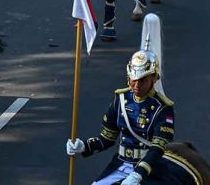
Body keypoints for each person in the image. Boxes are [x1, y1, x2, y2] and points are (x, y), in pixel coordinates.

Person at [66, 50, 175, 185]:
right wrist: (84, 146)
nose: (136, 85)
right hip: (120, 165)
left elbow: (158, 148)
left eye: (143, 80)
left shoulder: (163, 108)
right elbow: (107, 138)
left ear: (154, 78)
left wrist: (137, 174)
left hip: (149, 169)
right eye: (133, 79)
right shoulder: (121, 100)